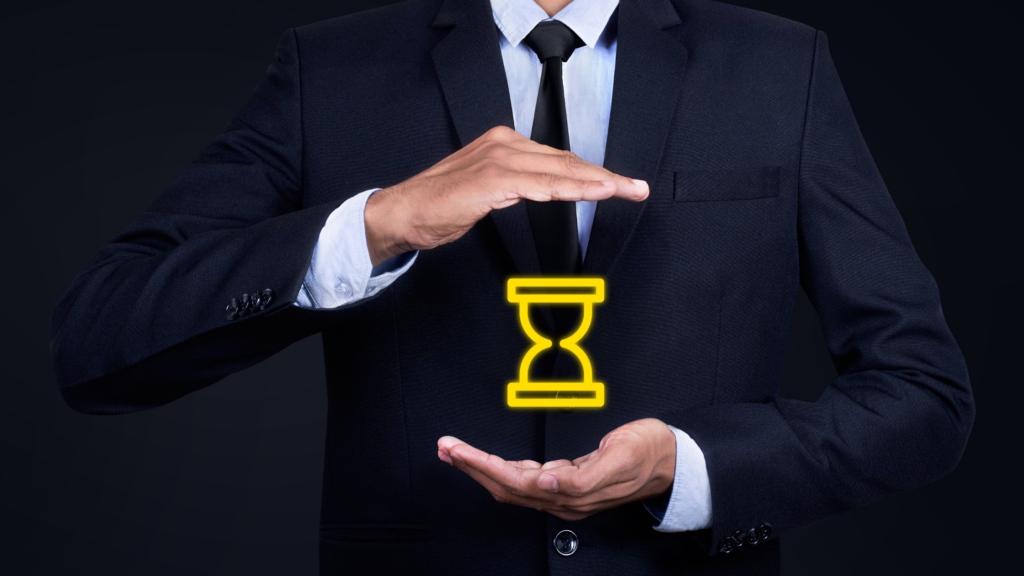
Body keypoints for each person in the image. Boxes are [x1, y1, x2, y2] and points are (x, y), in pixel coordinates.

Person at [48, 0, 974, 573]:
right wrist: (376, 224)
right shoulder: (328, 73)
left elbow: (924, 397)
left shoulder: (780, 68)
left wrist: (688, 468)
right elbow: (97, 343)